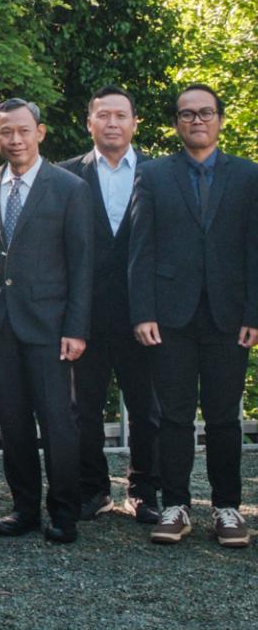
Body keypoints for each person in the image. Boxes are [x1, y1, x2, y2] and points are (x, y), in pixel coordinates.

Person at [128, 84, 258, 548]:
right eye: (187, 114)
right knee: (174, 417)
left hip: (229, 317)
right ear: (176, 123)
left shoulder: (248, 175)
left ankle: (227, 508)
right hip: (169, 317)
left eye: (205, 113)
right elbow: (140, 249)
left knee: (224, 418)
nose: (196, 120)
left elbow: (255, 249)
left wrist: (254, 312)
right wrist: (142, 311)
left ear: (220, 119)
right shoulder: (153, 174)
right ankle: (176, 506)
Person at [0, 98, 92, 544]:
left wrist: (76, 327)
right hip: (0, 322)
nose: (15, 139)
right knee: (13, 421)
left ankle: (64, 512)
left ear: (40, 133)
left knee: (57, 422)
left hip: (51, 325)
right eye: (6, 131)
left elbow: (82, 263)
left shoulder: (69, 187)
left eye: (24, 130)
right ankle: (23, 508)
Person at [58, 85, 159, 523]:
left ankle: (145, 492)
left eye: (121, 115)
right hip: (85, 315)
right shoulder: (65, 176)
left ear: (135, 123)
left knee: (148, 410)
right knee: (83, 410)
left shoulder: (159, 174)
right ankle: (93, 490)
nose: (112, 123)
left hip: (145, 314)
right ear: (90, 123)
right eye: (103, 115)